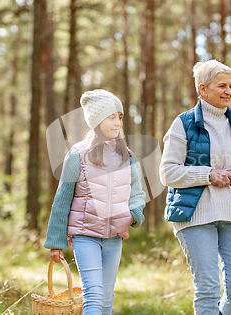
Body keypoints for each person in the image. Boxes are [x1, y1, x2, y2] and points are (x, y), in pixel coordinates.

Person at [160, 60, 231, 315]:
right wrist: (209, 175)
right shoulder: (182, 124)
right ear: (203, 89)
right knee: (208, 289)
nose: (228, 91)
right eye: (222, 86)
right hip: (194, 215)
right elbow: (168, 172)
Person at [44, 89, 146, 315]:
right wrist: (56, 241)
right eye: (111, 117)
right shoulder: (78, 154)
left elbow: (137, 194)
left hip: (114, 238)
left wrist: (132, 216)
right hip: (85, 236)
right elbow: (62, 198)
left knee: (107, 297)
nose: (117, 122)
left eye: (119, 117)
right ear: (97, 120)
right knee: (94, 294)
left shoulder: (127, 156)